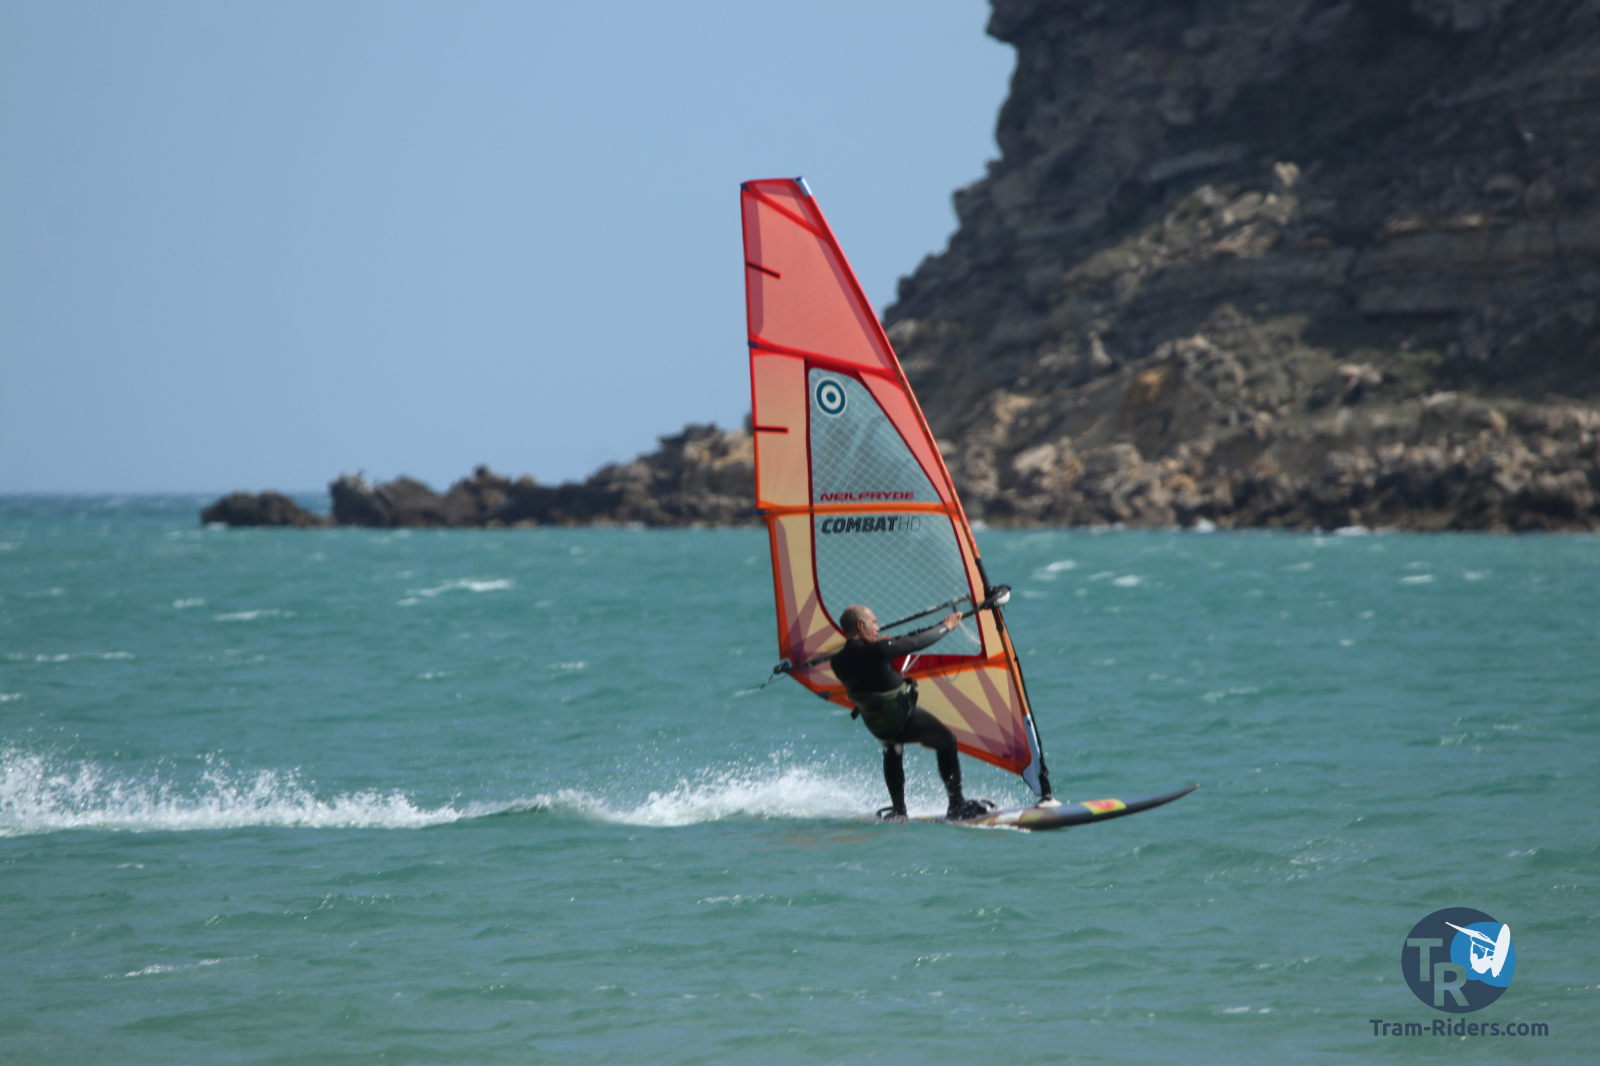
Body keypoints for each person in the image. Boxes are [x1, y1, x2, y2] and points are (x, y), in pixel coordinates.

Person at [830, 604, 992, 821]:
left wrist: (880, 644)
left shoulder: (837, 661)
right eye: (874, 623)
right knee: (946, 741)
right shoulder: (878, 650)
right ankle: (957, 805)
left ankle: (899, 810)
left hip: (877, 724)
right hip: (901, 719)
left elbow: (867, 660)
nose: (878, 628)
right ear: (861, 625)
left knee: (892, 748)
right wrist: (947, 626)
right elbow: (916, 642)